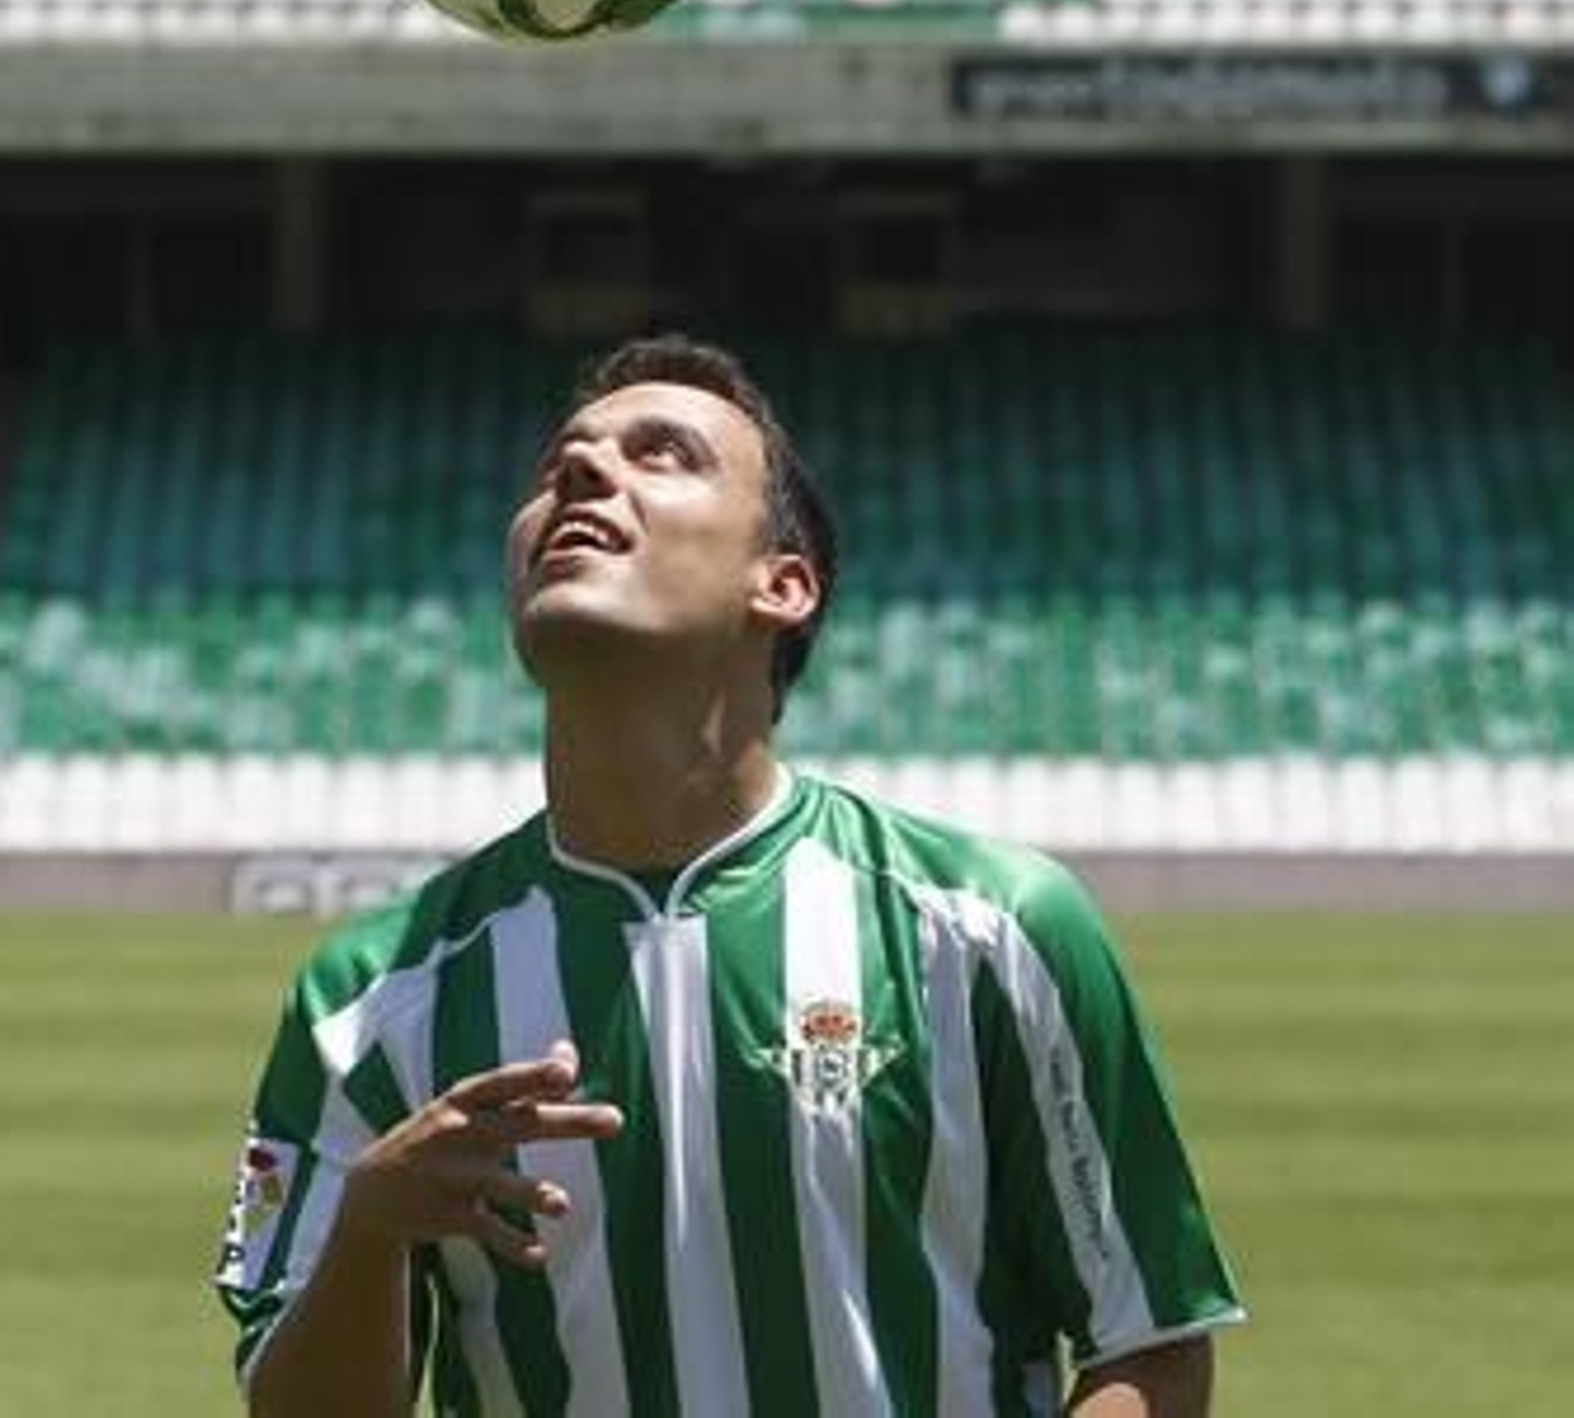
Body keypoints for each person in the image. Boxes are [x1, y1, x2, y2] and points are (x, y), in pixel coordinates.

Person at [216, 333, 1245, 1416]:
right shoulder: (369, 995)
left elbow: (1152, 1340)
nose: (580, 471)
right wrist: (372, 1223)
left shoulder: (989, 926)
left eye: (661, 453)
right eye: (559, 461)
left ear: (783, 584)